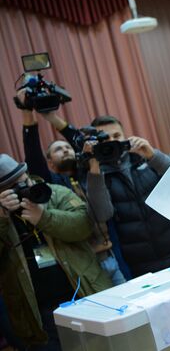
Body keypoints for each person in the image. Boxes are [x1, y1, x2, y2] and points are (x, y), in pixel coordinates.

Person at [0, 154, 112, 350]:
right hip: (39, 313)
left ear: (27, 174)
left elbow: (84, 226)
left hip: (83, 294)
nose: (23, 190)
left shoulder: (56, 193)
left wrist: (44, 217)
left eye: (23, 182)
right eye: (13, 189)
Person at [18, 105, 126, 286]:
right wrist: (28, 115)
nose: (66, 150)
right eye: (58, 149)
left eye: (68, 147)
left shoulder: (87, 173)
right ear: (50, 163)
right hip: (84, 262)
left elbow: (81, 143)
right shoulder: (49, 185)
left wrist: (53, 118)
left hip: (111, 255)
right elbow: (33, 155)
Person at [77, 115, 170, 278]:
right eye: (105, 138)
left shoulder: (144, 158)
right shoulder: (95, 174)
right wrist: (94, 166)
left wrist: (152, 155)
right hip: (139, 267)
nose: (112, 141)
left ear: (125, 136)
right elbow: (102, 214)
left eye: (117, 136)